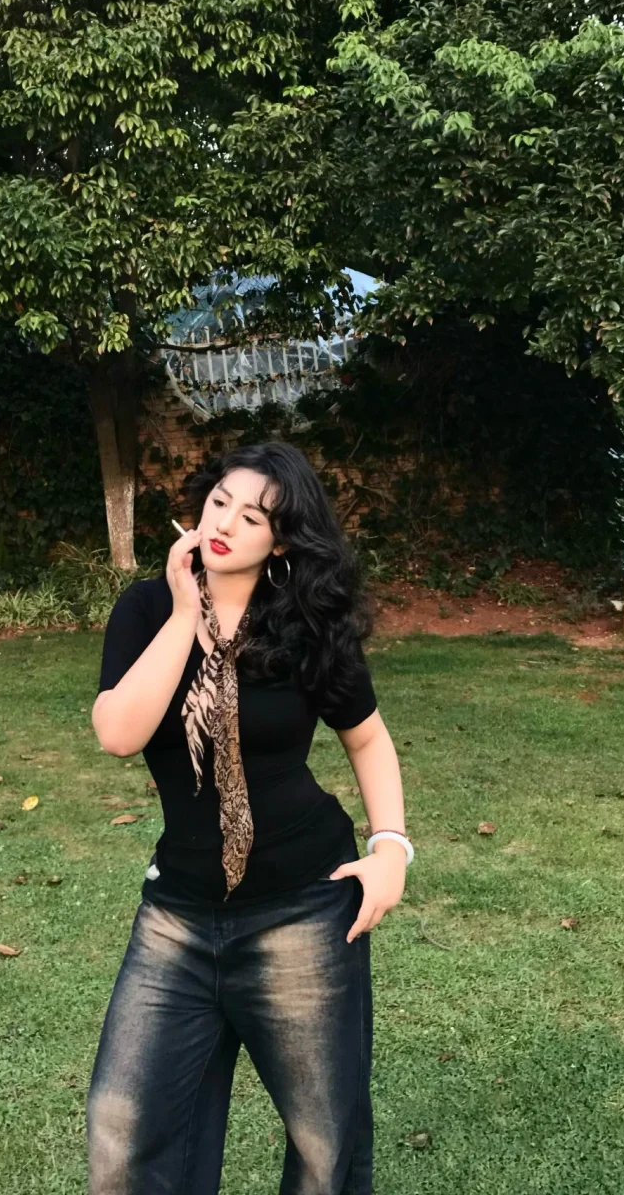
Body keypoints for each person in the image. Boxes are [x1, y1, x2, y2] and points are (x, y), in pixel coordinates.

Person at [86, 441, 411, 1195]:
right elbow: (119, 733)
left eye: (253, 516)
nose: (226, 522)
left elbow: (367, 738)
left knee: (323, 1145)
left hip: (304, 908)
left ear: (282, 541)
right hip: (178, 915)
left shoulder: (306, 620)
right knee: (123, 1136)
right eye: (219, 502)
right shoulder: (145, 609)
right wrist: (183, 614)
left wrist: (391, 847)